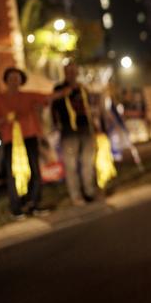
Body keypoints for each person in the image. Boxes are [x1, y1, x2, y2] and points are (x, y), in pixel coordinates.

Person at [0, 67, 69, 218]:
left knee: (35, 171)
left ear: (21, 80)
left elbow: (48, 97)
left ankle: (33, 203)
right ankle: (16, 207)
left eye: (17, 77)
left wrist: (65, 91)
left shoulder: (28, 96)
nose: (15, 80)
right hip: (10, 141)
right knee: (13, 174)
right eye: (11, 77)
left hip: (30, 137)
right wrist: (6, 119)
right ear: (6, 80)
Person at [51, 62, 98, 206]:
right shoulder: (59, 88)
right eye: (68, 71)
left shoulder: (83, 88)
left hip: (86, 129)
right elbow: (52, 108)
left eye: (74, 71)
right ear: (64, 73)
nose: (71, 74)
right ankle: (76, 196)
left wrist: (96, 125)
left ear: (77, 72)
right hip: (68, 131)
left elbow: (91, 107)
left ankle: (90, 192)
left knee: (88, 163)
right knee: (71, 165)